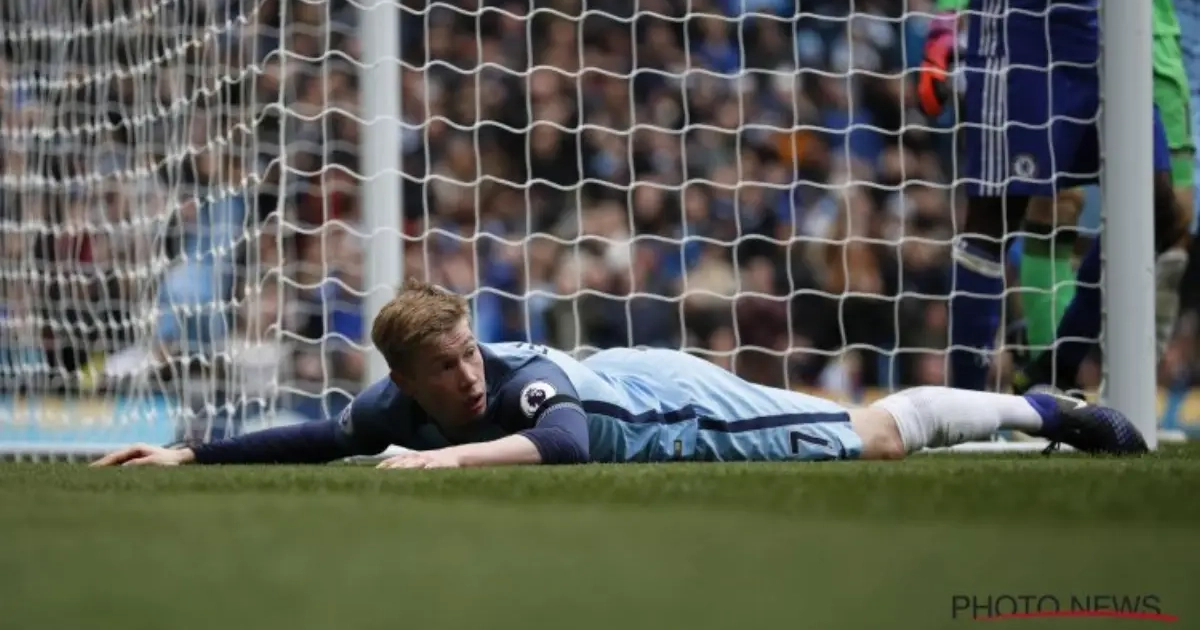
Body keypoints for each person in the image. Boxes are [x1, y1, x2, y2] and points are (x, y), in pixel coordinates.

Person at [92, 278, 1147, 468]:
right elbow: (325, 438)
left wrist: (445, 464)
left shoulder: (521, 382)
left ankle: (1044, 409)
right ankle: (1034, 415)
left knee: (870, 437)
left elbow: (562, 441)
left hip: (663, 402)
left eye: (470, 352)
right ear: (406, 380)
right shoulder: (390, 406)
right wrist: (189, 454)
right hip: (632, 380)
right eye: (445, 368)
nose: (468, 376)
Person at [920, 0, 1188, 392]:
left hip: (1110, 29)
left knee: (1157, 209)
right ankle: (966, 400)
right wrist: (944, 22)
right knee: (995, 215)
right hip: (1025, 28)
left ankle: (1054, 369)